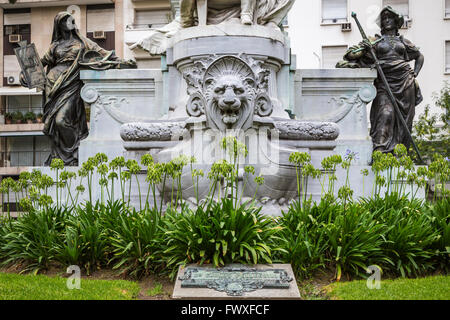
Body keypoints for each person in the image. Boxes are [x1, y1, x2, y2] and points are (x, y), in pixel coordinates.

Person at [20, 12, 135, 166]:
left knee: (62, 120)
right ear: (59, 24)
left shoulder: (82, 42)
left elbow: (102, 54)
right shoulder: (55, 46)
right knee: (55, 123)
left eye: (71, 20)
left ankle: (75, 152)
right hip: (52, 86)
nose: (71, 22)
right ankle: (65, 157)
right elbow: (40, 64)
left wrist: (121, 62)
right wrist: (25, 75)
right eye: (66, 20)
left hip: (72, 83)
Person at [338, 6, 424, 154]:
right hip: (385, 82)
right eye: (384, 18)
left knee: (405, 120)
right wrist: (364, 48)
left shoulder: (403, 41)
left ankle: (400, 152)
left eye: (389, 18)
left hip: (405, 82)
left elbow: (419, 56)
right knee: (385, 113)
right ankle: (380, 150)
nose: (386, 21)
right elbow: (351, 55)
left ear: (397, 22)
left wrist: (414, 73)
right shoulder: (375, 41)